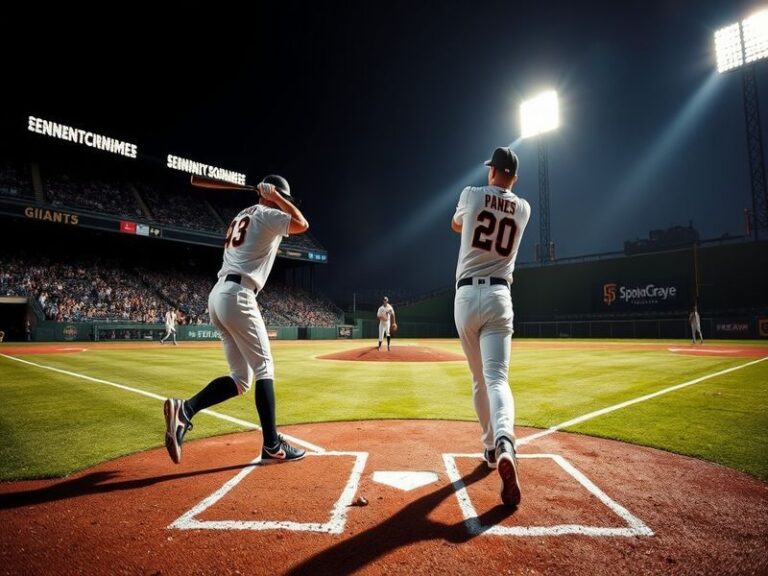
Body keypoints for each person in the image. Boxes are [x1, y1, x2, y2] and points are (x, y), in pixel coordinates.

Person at [163, 175, 309, 465]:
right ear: (272, 196)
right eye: (283, 199)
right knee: (264, 367)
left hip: (219, 295)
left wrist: (274, 197)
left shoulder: (243, 215)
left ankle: (186, 409)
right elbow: (302, 224)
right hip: (239, 293)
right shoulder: (267, 213)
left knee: (242, 380)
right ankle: (272, 445)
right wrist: (278, 198)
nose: (286, 204)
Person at [451, 146, 531, 508]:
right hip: (501, 294)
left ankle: (488, 447)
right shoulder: (524, 208)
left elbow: (456, 224)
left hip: (466, 297)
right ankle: (504, 441)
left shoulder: (471, 194)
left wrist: (470, 214)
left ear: (492, 171)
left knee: (479, 379)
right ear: (514, 176)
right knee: (498, 378)